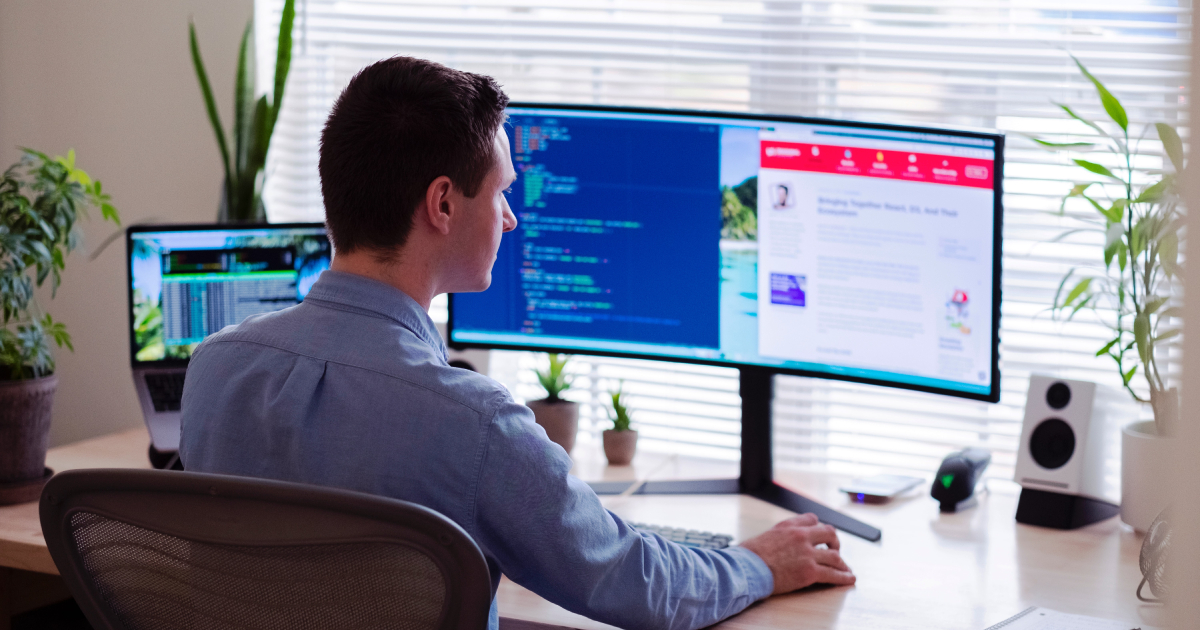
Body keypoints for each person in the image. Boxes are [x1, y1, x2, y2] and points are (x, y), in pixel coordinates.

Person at [179, 56, 854, 630]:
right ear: (442, 205)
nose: (511, 216)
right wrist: (759, 563)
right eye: (502, 190)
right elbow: (637, 583)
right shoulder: (473, 424)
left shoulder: (214, 370)